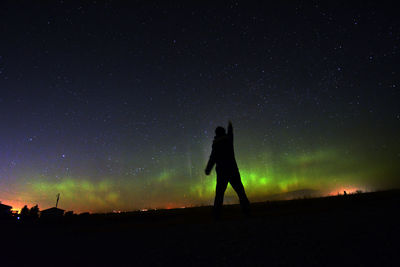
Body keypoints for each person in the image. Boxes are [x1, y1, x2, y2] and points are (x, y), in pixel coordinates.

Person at [205, 121, 250, 219]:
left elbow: (212, 158)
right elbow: (230, 133)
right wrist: (230, 126)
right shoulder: (229, 140)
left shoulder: (216, 144)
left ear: (216, 133)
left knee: (219, 194)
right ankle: (247, 210)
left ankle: (217, 214)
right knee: (240, 191)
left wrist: (208, 169)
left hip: (222, 172)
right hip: (233, 170)